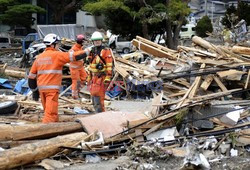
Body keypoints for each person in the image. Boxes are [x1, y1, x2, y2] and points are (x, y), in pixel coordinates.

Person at [28, 33, 90, 123]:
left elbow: (31, 77)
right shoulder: (57, 55)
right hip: (51, 91)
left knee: (49, 112)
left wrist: (34, 91)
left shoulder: (39, 58)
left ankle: (54, 130)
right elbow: (74, 56)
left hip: (42, 90)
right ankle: (45, 132)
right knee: (51, 115)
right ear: (53, 44)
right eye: (57, 44)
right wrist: (89, 50)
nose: (58, 46)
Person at [87, 31, 113, 113]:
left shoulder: (105, 51)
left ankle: (101, 115)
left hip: (101, 78)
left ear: (101, 41)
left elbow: (109, 65)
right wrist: (89, 77)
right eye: (95, 40)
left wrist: (108, 77)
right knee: (94, 99)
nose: (97, 42)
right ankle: (97, 115)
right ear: (93, 41)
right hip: (93, 78)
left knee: (99, 99)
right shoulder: (92, 51)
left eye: (98, 40)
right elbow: (90, 64)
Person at [69, 34, 88, 99]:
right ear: (81, 42)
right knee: (76, 81)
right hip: (74, 69)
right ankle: (75, 96)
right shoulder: (73, 49)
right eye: (83, 42)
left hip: (80, 67)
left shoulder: (80, 48)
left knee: (84, 78)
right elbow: (72, 58)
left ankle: (81, 92)